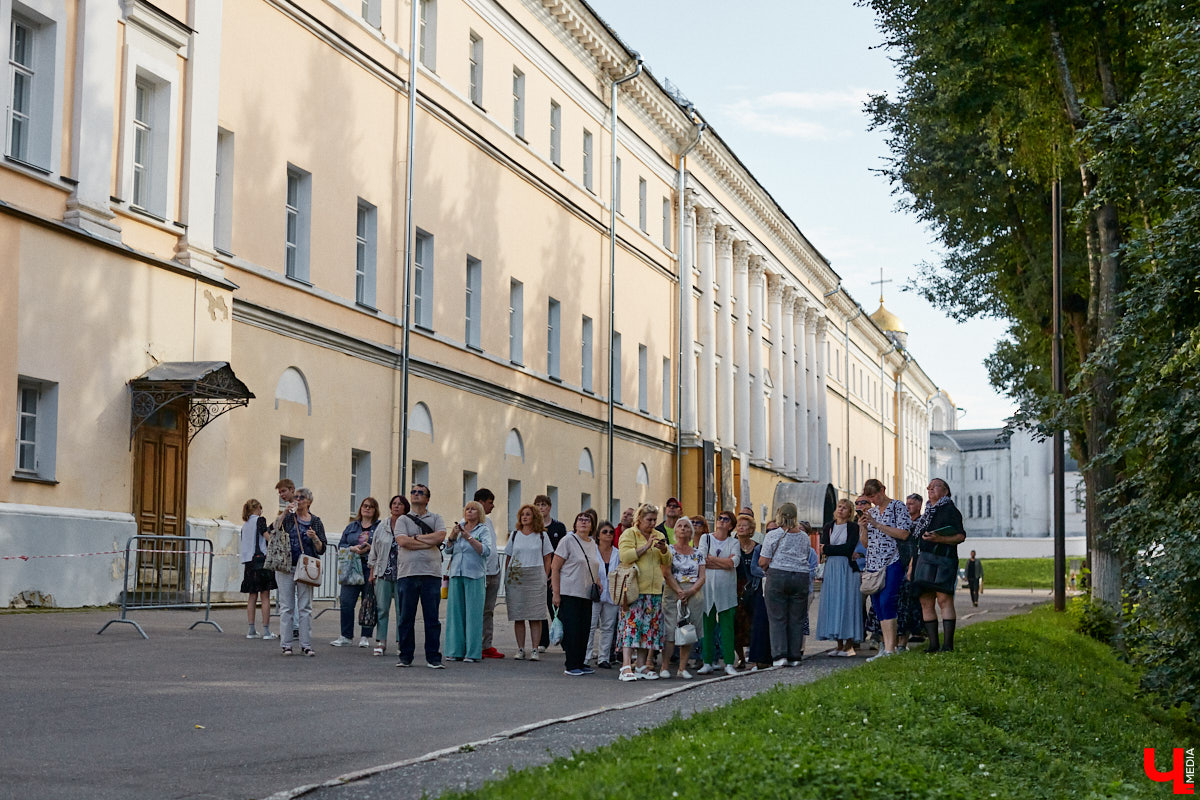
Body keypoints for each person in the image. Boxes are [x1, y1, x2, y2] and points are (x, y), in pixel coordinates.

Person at [857, 479, 913, 663]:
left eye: (875, 495)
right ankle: (886, 648)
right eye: (869, 497)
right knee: (878, 604)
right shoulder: (871, 512)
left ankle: (891, 648)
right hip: (873, 563)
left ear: (883, 490)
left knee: (888, 599)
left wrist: (877, 524)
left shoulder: (897, 507)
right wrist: (863, 527)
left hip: (892, 560)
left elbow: (904, 534)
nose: (873, 500)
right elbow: (867, 544)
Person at [393, 484, 447, 668]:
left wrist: (414, 538)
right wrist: (426, 541)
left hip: (431, 573)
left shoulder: (436, 518)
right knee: (406, 617)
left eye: (420, 492)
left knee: (432, 618)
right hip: (407, 573)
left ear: (427, 498)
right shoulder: (402, 520)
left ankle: (433, 657)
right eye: (413, 492)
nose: (415, 495)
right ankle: (405, 656)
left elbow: (440, 537)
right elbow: (402, 541)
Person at [616, 504, 672, 682]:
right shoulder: (629, 534)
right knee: (631, 628)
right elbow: (625, 557)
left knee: (647, 630)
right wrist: (646, 546)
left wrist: (663, 550)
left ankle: (640, 666)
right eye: (649, 520)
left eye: (655, 520)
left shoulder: (659, 535)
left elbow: (667, 560)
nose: (653, 523)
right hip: (634, 590)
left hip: (654, 591)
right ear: (639, 519)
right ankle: (626, 666)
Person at [758, 502, 817, 667]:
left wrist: (767, 567)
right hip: (801, 577)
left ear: (779, 515)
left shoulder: (773, 535)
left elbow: (763, 561)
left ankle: (780, 655)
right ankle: (794, 656)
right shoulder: (804, 537)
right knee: (797, 618)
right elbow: (805, 555)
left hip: (778, 575)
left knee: (777, 617)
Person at [269, 487, 326, 656]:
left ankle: (306, 644)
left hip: (306, 567)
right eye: (296, 497)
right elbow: (273, 529)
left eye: (301, 497)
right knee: (286, 606)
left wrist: (314, 537)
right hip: (286, 565)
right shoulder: (288, 518)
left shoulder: (315, 521)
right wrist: (284, 513)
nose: (298, 500)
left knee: (305, 607)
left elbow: (321, 548)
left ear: (308, 501)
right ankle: (286, 644)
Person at [912, 478, 967, 653]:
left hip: (944, 559)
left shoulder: (950, 510)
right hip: (924, 559)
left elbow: (960, 536)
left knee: (944, 600)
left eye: (935, 486)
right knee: (926, 601)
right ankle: (933, 644)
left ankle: (947, 645)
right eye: (929, 487)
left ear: (946, 491)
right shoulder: (927, 512)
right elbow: (916, 541)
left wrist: (940, 539)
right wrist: (911, 565)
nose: (930, 489)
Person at [551, 511, 603, 676]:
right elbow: (555, 567)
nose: (583, 522)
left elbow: (594, 566)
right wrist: (556, 593)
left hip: (586, 593)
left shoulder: (593, 544)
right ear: (575, 524)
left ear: (592, 525)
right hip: (570, 591)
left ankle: (581, 662)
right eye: (580, 519)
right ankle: (572, 664)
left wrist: (598, 582)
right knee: (572, 630)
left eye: (587, 520)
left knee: (584, 629)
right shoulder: (567, 540)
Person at [444, 500, 493, 662]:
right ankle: (455, 650)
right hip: (457, 573)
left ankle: (472, 652)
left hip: (475, 574)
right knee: (455, 613)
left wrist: (469, 537)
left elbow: (485, 550)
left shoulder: (483, 530)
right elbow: (448, 550)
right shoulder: (460, 528)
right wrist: (452, 536)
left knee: (473, 614)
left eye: (473, 509)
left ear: (480, 513)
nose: (469, 512)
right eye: (467, 509)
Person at [504, 504, 553, 660]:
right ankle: (520, 648)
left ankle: (534, 649)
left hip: (535, 574)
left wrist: (544, 576)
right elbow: (508, 556)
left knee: (535, 615)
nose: (525, 517)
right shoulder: (514, 535)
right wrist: (507, 576)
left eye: (528, 514)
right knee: (518, 614)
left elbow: (547, 557)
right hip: (517, 576)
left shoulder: (542, 536)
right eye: (522, 514)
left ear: (534, 517)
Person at [816, 498, 864, 657]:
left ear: (850, 512)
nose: (841, 510)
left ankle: (849, 644)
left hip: (847, 568)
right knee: (834, 601)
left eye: (845, 508)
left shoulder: (853, 527)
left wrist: (830, 549)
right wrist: (831, 549)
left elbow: (848, 548)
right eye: (839, 507)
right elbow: (823, 549)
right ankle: (838, 643)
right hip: (832, 568)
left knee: (848, 602)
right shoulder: (829, 526)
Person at [697, 510, 741, 676]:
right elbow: (701, 559)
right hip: (707, 588)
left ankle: (729, 662)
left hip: (726, 590)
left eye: (726, 519)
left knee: (727, 626)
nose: (721, 521)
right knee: (706, 626)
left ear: (731, 525)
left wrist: (713, 560)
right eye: (719, 518)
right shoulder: (706, 538)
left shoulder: (733, 542)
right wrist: (723, 562)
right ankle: (707, 661)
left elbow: (733, 562)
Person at [659, 516, 704, 679]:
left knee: (688, 630)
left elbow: (702, 576)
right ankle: (664, 666)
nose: (683, 528)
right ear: (675, 531)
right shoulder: (669, 550)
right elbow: (666, 572)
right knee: (670, 629)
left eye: (686, 526)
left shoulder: (698, 553)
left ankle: (682, 667)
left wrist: (690, 592)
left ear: (691, 532)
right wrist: (679, 591)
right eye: (680, 526)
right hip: (673, 591)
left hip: (693, 592)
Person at [331, 497, 379, 648]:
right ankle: (346, 635)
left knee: (368, 602)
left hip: (369, 566)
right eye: (365, 506)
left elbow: (383, 545)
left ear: (375, 510)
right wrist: (352, 548)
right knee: (346, 601)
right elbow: (341, 546)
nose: (367, 509)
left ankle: (365, 636)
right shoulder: (352, 526)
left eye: (371, 507)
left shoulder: (379, 527)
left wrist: (371, 548)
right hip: (352, 566)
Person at [366, 495, 409, 656]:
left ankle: (401, 642)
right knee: (382, 608)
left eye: (400, 504)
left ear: (405, 507)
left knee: (402, 610)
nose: (396, 506)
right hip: (383, 572)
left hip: (403, 573)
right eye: (394, 504)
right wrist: (372, 572)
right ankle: (381, 641)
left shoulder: (408, 524)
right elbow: (374, 550)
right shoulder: (382, 525)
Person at [734, 513, 770, 669]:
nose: (741, 527)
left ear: (751, 530)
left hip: (753, 588)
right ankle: (740, 657)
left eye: (745, 525)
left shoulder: (757, 547)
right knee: (736, 623)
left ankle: (754, 655)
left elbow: (758, 568)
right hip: (734, 587)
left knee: (753, 622)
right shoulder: (732, 545)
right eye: (739, 525)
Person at [239, 498, 276, 640]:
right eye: (261, 508)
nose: (262, 511)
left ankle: (251, 629)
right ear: (257, 508)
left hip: (248, 562)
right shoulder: (260, 520)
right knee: (265, 596)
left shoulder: (245, 525)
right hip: (261, 560)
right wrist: (274, 538)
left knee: (252, 595)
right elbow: (267, 537)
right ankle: (266, 631)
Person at [474, 488, 505, 659]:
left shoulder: (489, 522)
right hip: (479, 573)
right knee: (475, 610)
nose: (492, 506)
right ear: (481, 502)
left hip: (494, 571)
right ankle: (473, 643)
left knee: (488, 611)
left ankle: (486, 644)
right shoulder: (468, 523)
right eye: (490, 502)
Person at [535, 494, 568, 651]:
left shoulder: (558, 527)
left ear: (549, 507)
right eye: (538, 505)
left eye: (544, 505)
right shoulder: (533, 528)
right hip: (537, 572)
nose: (541, 508)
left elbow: (562, 550)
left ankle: (563, 638)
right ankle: (542, 641)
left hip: (554, 573)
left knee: (555, 605)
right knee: (539, 608)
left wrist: (555, 572)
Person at [587, 520, 621, 668]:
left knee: (608, 627)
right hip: (594, 593)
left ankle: (604, 658)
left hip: (612, 594)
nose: (608, 534)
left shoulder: (618, 553)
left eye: (611, 532)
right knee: (590, 626)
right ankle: (585, 657)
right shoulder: (592, 551)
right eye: (605, 532)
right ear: (598, 535)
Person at [896, 492, 927, 648]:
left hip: (915, 565)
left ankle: (913, 632)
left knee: (911, 601)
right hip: (900, 562)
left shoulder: (922, 522)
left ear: (919, 505)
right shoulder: (903, 522)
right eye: (907, 504)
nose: (908, 507)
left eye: (911, 504)